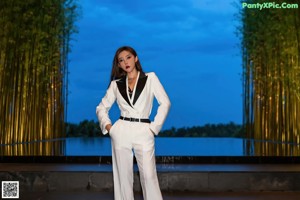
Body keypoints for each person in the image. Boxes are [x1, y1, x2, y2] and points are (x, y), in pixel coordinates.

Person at [96, 46, 171, 200]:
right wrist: (110, 129)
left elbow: (165, 103)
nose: (126, 62)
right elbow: (101, 108)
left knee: (149, 177)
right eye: (121, 60)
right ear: (119, 65)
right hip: (121, 131)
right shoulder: (116, 84)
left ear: (136, 58)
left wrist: (154, 128)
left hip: (144, 131)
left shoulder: (150, 78)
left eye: (128, 57)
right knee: (123, 179)